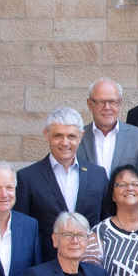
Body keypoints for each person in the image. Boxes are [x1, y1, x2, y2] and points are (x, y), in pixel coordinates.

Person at [14, 107, 108, 260]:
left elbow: (106, 222)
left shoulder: (97, 175)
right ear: (47, 135)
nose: (65, 143)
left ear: (81, 136)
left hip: (89, 266)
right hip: (46, 267)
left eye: (71, 136)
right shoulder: (27, 178)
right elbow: (22, 230)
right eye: (58, 136)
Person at [78, 78, 138, 177]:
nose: (107, 107)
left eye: (112, 102)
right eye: (101, 102)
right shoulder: (76, 137)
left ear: (120, 103)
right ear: (90, 104)